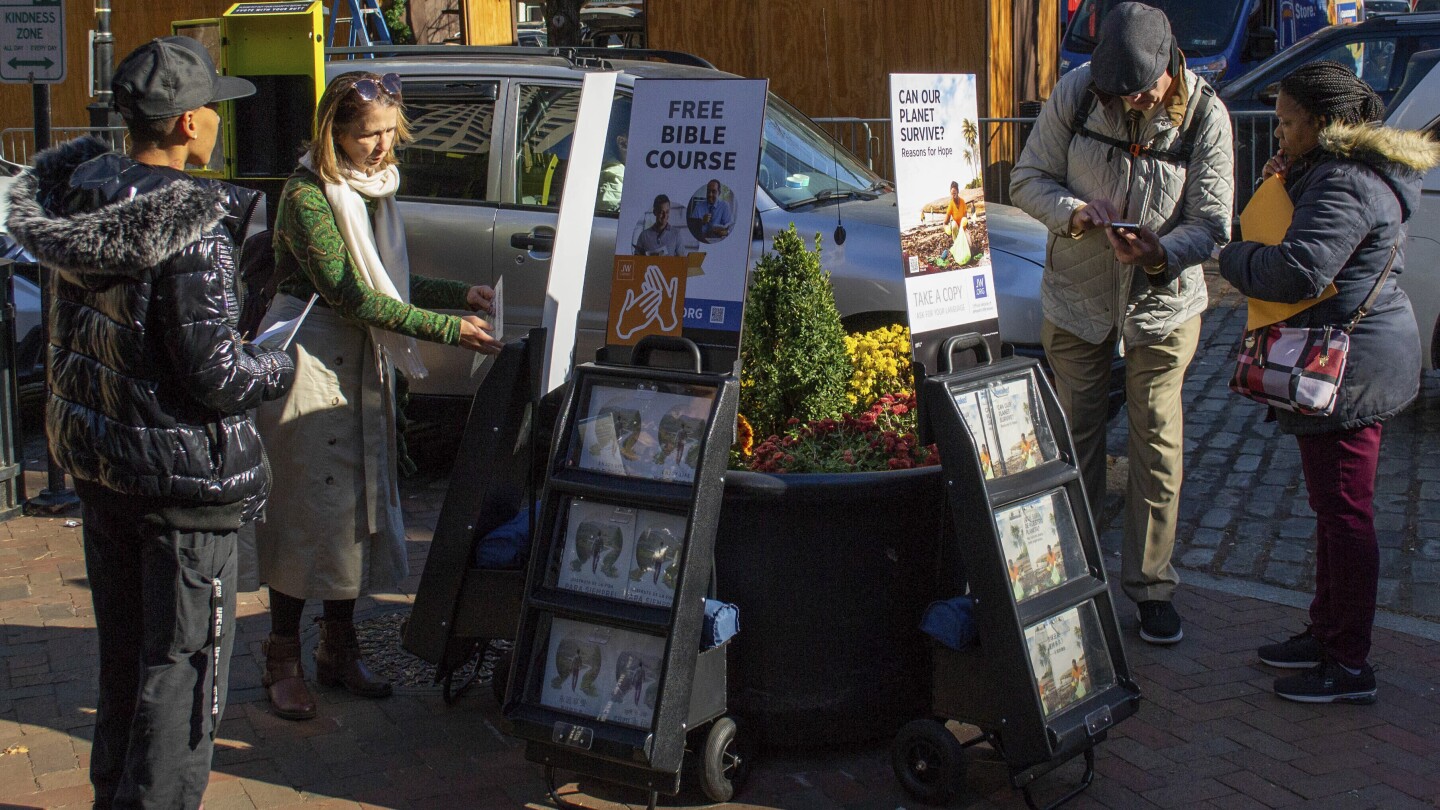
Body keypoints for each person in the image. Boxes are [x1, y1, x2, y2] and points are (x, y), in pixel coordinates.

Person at [2, 36, 296, 808]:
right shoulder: (193, 226)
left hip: (105, 470)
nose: (221, 125)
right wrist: (281, 363)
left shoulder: (79, 199)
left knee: (127, 658)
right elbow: (217, 374)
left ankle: (116, 796)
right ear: (190, 123)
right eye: (216, 112)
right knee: (184, 673)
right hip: (179, 486)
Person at [252, 71, 502, 721]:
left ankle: (338, 648)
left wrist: (457, 294)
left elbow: (389, 281)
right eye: (369, 135)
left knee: (353, 518)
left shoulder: (374, 191)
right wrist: (451, 329)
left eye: (391, 132)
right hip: (310, 365)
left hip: (360, 365)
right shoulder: (309, 195)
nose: (383, 146)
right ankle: (282, 655)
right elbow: (353, 295)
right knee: (305, 516)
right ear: (334, 133)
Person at [1010, 2, 1233, 645]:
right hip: (1078, 299)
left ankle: (1151, 585)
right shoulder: (1078, 91)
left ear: (1168, 68)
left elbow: (1213, 223)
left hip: (1161, 306)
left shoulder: (1206, 114)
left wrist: (1161, 251)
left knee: (1155, 445)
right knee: (1074, 437)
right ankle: (1070, 578)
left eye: (1137, 93)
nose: (1126, 103)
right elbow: (1028, 178)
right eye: (1115, 92)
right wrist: (1076, 213)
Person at [1220, 61, 1437, 703]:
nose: (1279, 131)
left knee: (1346, 514)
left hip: (1353, 366)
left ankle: (1348, 665)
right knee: (1331, 510)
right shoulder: (1332, 172)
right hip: (1348, 356)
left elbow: (1298, 272)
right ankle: (1326, 633)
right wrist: (1280, 188)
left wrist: (1231, 256)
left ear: (1323, 123)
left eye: (1287, 121)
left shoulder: (1344, 181)